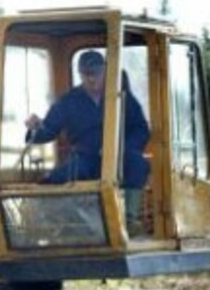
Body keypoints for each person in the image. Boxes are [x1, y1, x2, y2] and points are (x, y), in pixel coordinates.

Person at [24, 49, 151, 212]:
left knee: (137, 164)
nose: (92, 79)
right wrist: (35, 129)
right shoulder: (69, 101)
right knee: (61, 176)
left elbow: (141, 129)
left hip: (118, 156)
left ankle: (129, 219)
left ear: (105, 71)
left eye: (96, 73)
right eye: (86, 74)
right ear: (80, 74)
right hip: (85, 157)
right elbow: (49, 129)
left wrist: (123, 148)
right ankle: (70, 221)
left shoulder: (122, 97)